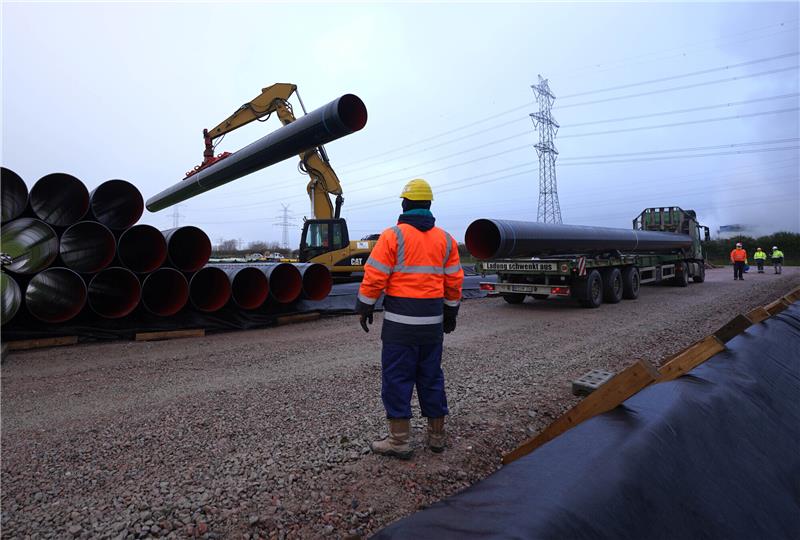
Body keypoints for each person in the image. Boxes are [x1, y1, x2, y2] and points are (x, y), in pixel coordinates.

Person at [355, 178, 464, 459]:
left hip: (400, 327)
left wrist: (364, 307)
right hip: (432, 326)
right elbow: (454, 282)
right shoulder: (446, 239)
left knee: (397, 378)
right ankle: (436, 437)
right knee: (431, 377)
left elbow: (375, 276)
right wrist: (450, 312)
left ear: (405, 204)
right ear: (428, 205)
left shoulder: (392, 236)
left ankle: (399, 441)